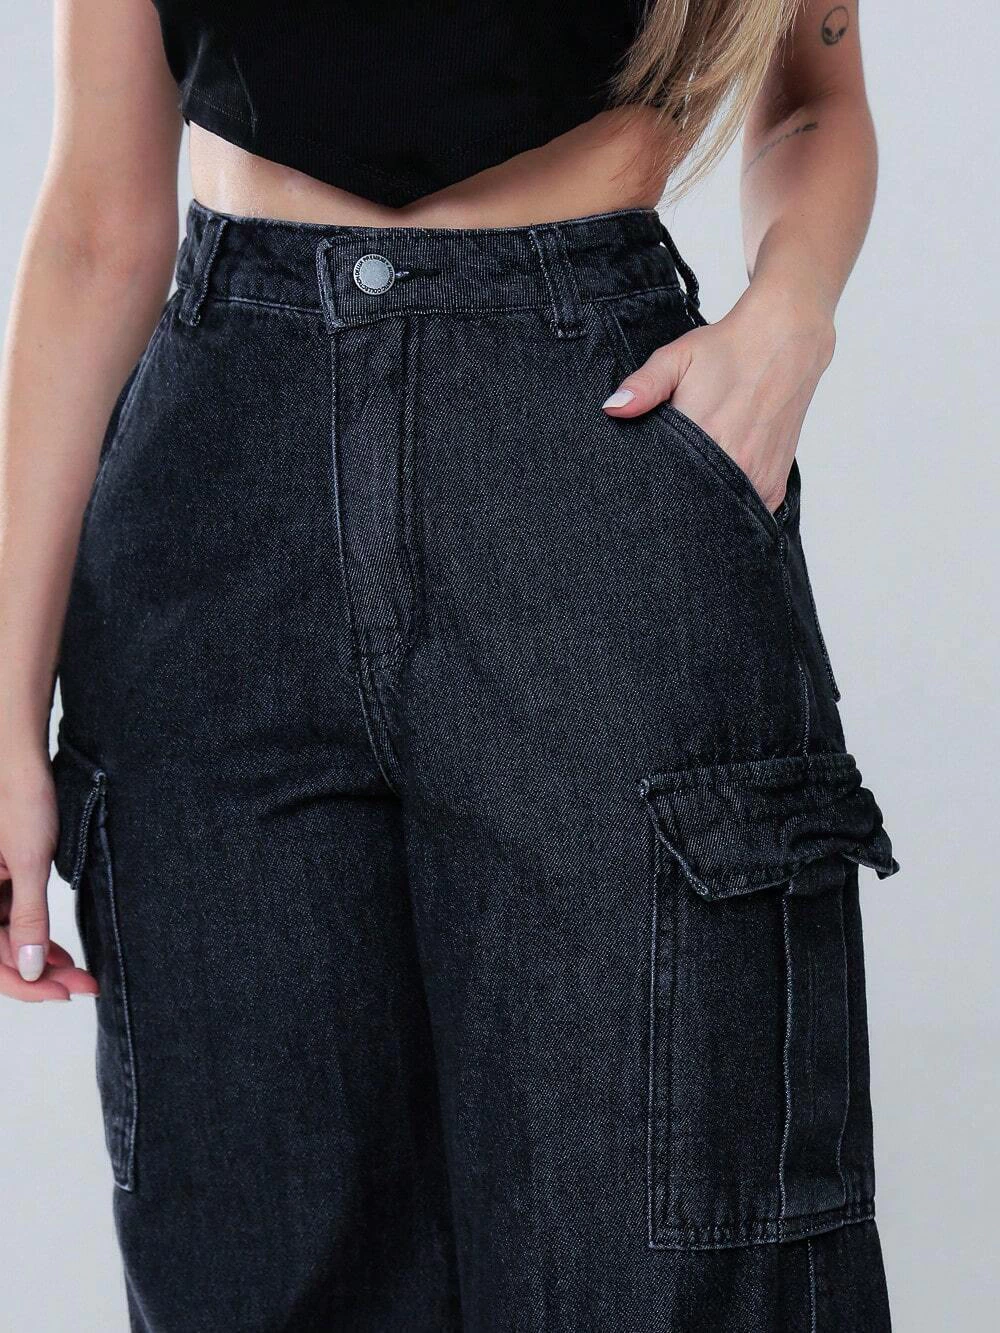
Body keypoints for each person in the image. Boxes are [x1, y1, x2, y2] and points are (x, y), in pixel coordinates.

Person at [0, 1, 900, 1328]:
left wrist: (790, 318)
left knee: (663, 1261)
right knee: (252, 1275)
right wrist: (6, 712)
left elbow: (815, 94)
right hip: (216, 511)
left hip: (594, 462)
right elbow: (94, 219)